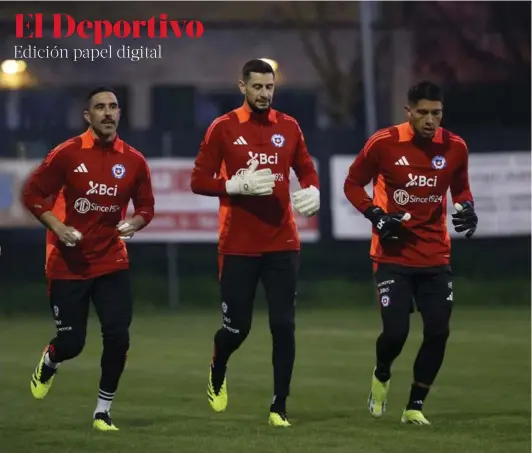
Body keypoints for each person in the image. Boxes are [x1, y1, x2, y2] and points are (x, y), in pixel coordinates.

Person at [190, 59, 320, 427]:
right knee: (237, 329)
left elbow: (306, 169)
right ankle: (218, 365)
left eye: (269, 87)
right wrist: (233, 185)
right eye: (257, 87)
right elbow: (198, 180)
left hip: (283, 243)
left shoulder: (289, 126)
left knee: (283, 325)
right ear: (242, 87)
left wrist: (313, 190)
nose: (264, 94)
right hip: (238, 246)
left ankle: (279, 406)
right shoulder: (223, 128)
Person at [343, 81, 478, 425]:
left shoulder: (455, 147)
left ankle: (414, 406)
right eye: (423, 113)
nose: (430, 120)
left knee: (438, 331)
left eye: (437, 113)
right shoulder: (384, 143)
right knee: (396, 333)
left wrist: (467, 207)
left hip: (435, 255)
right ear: (409, 112)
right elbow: (352, 183)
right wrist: (375, 214)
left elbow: (460, 186)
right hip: (393, 255)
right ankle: (382, 374)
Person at [22, 86, 155, 432]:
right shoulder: (67, 154)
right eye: (100, 107)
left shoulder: (134, 160)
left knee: (118, 336)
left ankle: (102, 411)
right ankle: (51, 359)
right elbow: (32, 193)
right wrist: (57, 226)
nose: (108, 113)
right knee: (72, 343)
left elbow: (146, 208)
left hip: (111, 261)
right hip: (68, 262)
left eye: (113, 107)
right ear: (88, 116)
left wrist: (135, 222)